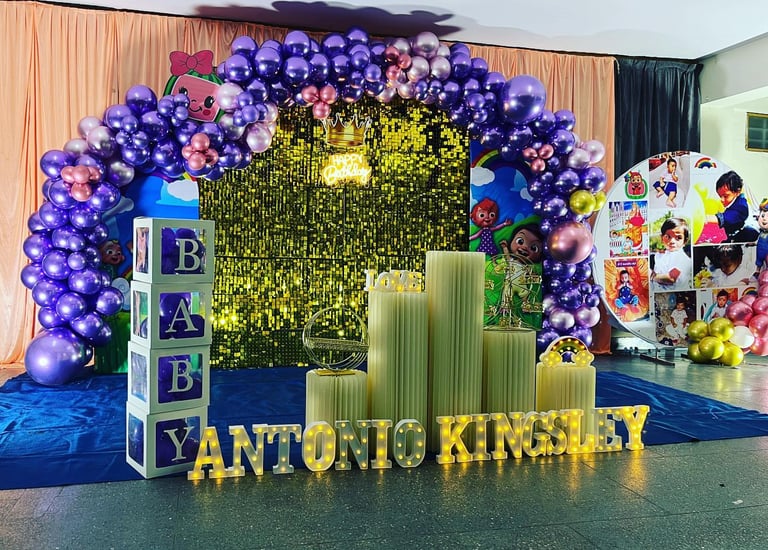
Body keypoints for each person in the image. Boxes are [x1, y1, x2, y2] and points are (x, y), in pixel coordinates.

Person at [705, 171, 759, 243]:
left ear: (737, 192)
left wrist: (706, 218)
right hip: (735, 234)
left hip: (749, 235)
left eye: (725, 196)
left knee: (747, 232)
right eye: (720, 196)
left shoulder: (741, 205)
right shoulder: (732, 203)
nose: (722, 200)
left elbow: (728, 217)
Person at [651, 217, 691, 291]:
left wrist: (652, 276)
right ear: (661, 238)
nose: (672, 241)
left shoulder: (682, 258)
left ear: (685, 241)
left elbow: (671, 278)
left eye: (678, 238)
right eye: (668, 237)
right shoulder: (661, 255)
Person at [756, 198, 768, 273]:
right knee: (758, 262)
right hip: (759, 253)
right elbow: (759, 240)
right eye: (762, 216)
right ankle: (757, 271)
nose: (764, 219)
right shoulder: (761, 232)